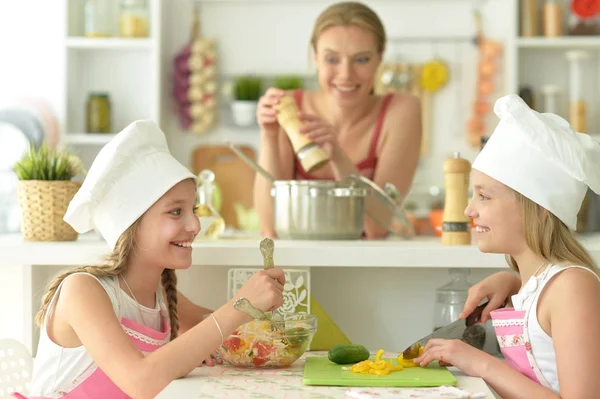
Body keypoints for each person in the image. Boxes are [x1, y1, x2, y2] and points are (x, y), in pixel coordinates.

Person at [18, 121, 285, 399]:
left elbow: (225, 333)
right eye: (175, 212)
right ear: (132, 225)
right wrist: (242, 305)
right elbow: (140, 381)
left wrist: (260, 306)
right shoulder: (83, 291)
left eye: (192, 209)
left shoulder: (161, 296)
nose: (195, 224)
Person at [413, 94, 600, 398]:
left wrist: (482, 364)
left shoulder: (573, 287)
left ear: (538, 208)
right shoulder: (536, 285)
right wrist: (514, 284)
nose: (469, 211)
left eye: (484, 196)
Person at [253, 1, 422, 239]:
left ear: (379, 59)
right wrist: (269, 135)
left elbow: (377, 227)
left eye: (361, 59)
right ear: (315, 58)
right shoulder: (290, 107)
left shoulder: (401, 111)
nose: (345, 75)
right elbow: (270, 226)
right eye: (332, 59)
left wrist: (338, 157)